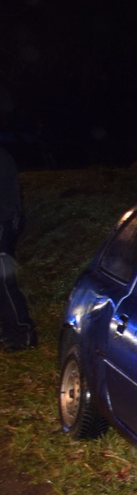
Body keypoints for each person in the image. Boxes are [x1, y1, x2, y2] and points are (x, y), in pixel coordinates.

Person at [0, 146, 37, 351]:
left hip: (3, 222)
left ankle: (23, 333)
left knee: (3, 282)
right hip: (7, 220)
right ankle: (11, 331)